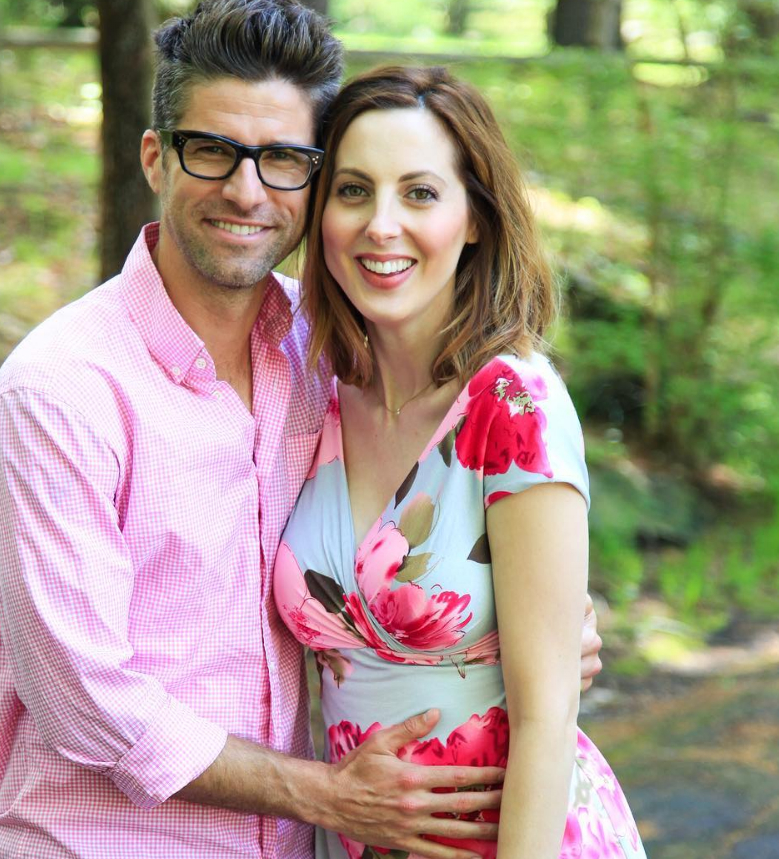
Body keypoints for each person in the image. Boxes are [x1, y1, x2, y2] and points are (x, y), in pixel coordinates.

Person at [0, 0, 604, 859]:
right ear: (155, 158)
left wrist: (534, 632)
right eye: (212, 150)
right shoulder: (59, 394)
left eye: (282, 160)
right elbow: (81, 696)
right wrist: (325, 794)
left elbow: (470, 550)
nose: (246, 190)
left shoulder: (325, 360)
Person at [273, 65, 645, 859]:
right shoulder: (310, 395)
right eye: (353, 191)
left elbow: (548, 717)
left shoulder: (514, 403)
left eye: (419, 193)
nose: (381, 225)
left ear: (474, 217)